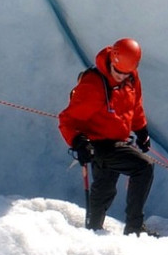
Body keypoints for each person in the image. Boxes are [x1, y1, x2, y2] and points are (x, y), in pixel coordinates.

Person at [59, 37, 156, 235]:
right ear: (112, 60)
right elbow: (67, 119)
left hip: (118, 140)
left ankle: (93, 230)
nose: (120, 76)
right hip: (98, 144)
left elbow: (135, 106)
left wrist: (141, 130)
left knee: (104, 190)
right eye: (117, 71)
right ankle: (135, 228)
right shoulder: (94, 85)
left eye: (125, 73)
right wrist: (78, 142)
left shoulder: (131, 77)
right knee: (143, 167)